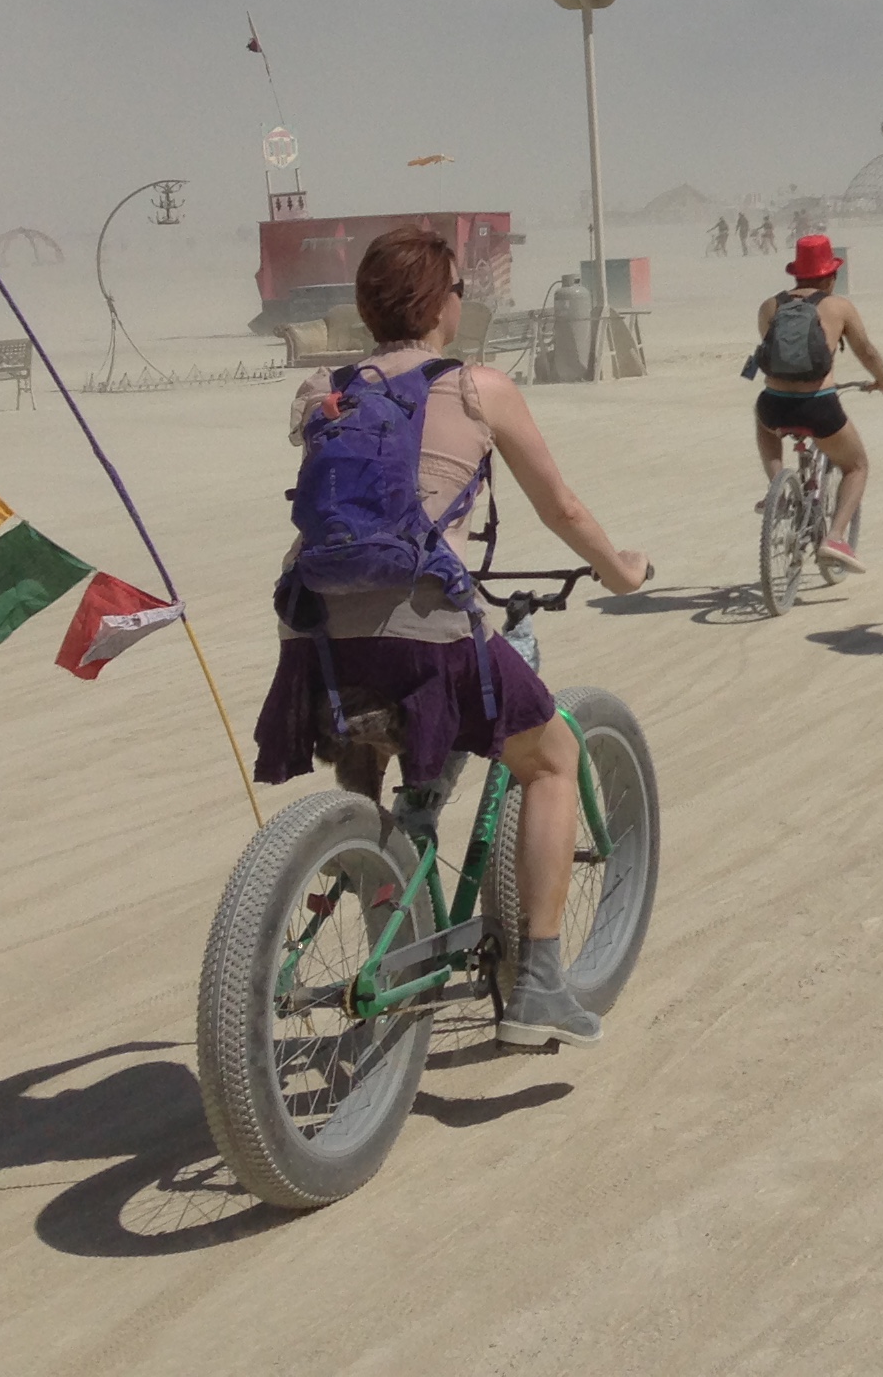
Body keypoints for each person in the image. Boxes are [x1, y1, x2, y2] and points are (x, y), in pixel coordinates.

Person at [253, 224, 651, 1049]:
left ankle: (394, 950)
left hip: (315, 637)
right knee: (550, 758)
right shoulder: (479, 389)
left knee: (374, 781)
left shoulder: (321, 391)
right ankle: (540, 979)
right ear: (444, 304)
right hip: (421, 627)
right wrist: (620, 571)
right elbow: (563, 508)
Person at [752, 234, 883, 575]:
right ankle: (834, 537)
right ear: (830, 275)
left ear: (797, 274)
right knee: (856, 465)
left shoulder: (769, 305)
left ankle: (778, 488)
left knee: (762, 418)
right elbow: (867, 352)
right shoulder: (839, 306)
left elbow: (774, 354)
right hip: (818, 406)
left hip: (774, 403)